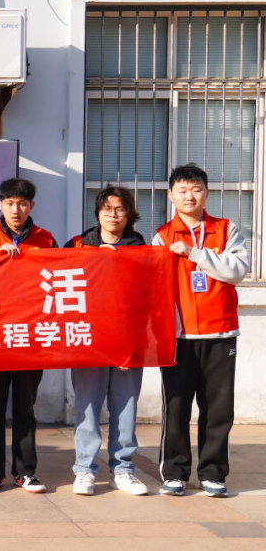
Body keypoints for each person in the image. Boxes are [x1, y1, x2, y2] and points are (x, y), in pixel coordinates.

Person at [153, 165, 249, 498]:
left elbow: (237, 271)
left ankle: (213, 473)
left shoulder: (226, 229)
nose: (189, 196)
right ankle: (174, 473)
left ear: (206, 193)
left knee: (218, 409)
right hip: (179, 337)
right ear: (171, 195)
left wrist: (195, 254)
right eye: (182, 190)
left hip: (220, 333)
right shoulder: (162, 236)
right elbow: (155, 286)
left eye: (196, 189)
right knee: (176, 408)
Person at [0, 177, 58, 495]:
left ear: (31, 206)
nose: (15, 209)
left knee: (25, 408)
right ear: (0, 205)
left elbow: (58, 282)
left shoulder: (46, 239)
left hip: (31, 336)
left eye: (21, 203)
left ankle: (26, 471)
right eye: (9, 203)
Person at [65, 187, 149, 497]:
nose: (113, 215)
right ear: (98, 212)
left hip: (127, 338)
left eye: (120, 209)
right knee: (87, 406)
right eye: (107, 208)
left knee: (125, 406)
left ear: (129, 214)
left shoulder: (141, 249)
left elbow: (149, 294)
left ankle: (123, 469)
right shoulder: (77, 245)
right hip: (88, 337)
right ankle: (85, 469)